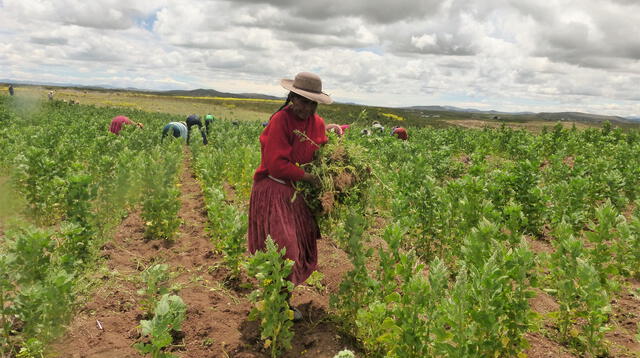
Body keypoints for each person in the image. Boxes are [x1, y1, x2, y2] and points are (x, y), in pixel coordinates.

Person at [248, 72, 332, 321]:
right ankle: (278, 302)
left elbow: (321, 152)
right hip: (275, 189)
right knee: (284, 249)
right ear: (292, 98)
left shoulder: (318, 123)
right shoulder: (280, 121)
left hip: (298, 195)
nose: (306, 107)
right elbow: (276, 165)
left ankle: (279, 300)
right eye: (302, 101)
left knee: (298, 248)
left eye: (311, 103)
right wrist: (308, 177)